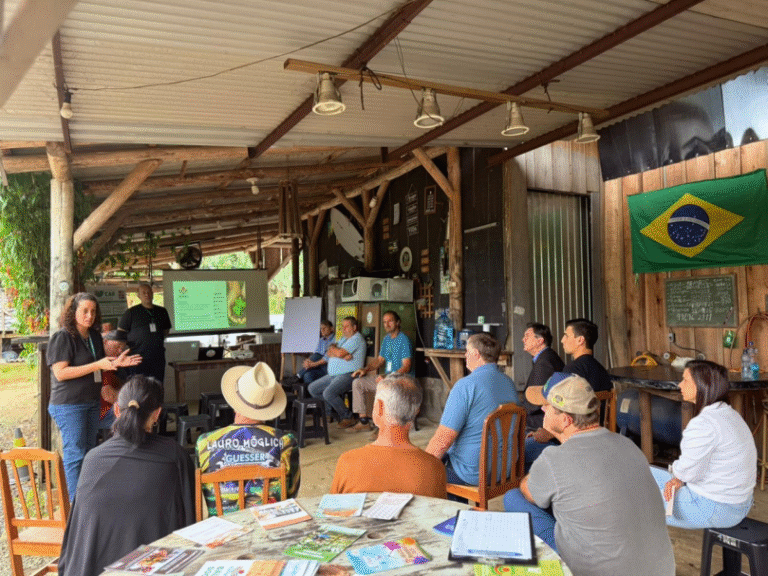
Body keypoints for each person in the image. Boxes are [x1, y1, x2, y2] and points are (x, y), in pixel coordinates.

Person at [503, 374, 675, 576]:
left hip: (595, 571)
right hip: (660, 568)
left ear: (566, 420)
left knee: (513, 497)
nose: (542, 409)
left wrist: (528, 479)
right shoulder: (628, 445)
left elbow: (528, 492)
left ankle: (551, 567)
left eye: (547, 406)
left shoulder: (554, 459)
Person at [58, 375, 195, 576]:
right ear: (157, 413)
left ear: (116, 410)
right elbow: (189, 523)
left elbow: (77, 535)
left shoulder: (92, 459)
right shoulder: (174, 456)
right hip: (153, 569)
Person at [47, 292, 141, 500]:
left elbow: (100, 367)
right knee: (76, 454)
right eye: (84, 311)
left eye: (93, 311)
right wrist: (97, 365)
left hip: (91, 402)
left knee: (89, 452)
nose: (89, 316)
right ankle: (76, 506)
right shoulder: (63, 337)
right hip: (69, 405)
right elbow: (60, 373)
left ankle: (89, 498)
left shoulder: (94, 337)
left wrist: (116, 364)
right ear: (73, 312)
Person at [650, 360, 756, 529]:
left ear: (702, 386)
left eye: (685, 380)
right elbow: (689, 472)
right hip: (739, 504)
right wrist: (680, 476)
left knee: (633, 498)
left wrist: (679, 475)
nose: (680, 385)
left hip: (715, 508)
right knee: (643, 471)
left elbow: (688, 472)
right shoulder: (730, 414)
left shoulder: (704, 423)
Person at [196, 362, 300, 516]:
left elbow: (202, 493)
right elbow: (291, 492)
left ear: (234, 403)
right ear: (269, 406)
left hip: (224, 527)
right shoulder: (286, 442)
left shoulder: (205, 442)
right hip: (270, 524)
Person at [425, 332, 518, 486]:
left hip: (473, 473)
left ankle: (456, 502)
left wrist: (421, 468)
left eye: (467, 351)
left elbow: (443, 440)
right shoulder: (509, 383)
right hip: (505, 469)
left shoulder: (465, 386)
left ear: (475, 354)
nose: (465, 355)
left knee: (426, 466)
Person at [331, 375, 446, 497]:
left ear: (379, 408)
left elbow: (331, 508)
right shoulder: (434, 467)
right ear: (416, 412)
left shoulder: (348, 462)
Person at [525, 318, 612, 470]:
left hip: (572, 440)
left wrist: (547, 433)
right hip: (598, 436)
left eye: (566, 335)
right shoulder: (602, 370)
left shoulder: (571, 373)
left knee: (520, 451)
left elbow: (563, 417)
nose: (562, 340)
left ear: (580, 340)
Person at [347, 310, 414, 433]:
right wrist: (365, 369)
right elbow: (379, 360)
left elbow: (406, 367)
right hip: (387, 377)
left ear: (398, 322)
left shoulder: (404, 340)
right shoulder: (387, 339)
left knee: (384, 385)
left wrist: (389, 378)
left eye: (390, 321)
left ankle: (385, 426)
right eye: (384, 322)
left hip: (402, 379)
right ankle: (364, 422)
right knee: (357, 383)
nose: (387, 324)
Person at [307, 316, 366, 428]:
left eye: (346, 326)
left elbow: (337, 352)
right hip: (334, 374)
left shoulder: (356, 338)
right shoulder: (344, 338)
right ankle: (331, 412)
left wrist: (338, 353)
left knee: (328, 393)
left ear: (354, 327)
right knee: (312, 388)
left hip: (350, 374)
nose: (344, 329)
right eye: (342, 327)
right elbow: (329, 350)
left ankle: (348, 416)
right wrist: (341, 354)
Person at [118, 282, 172, 385]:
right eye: (143, 293)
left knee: (157, 386)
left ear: (152, 293)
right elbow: (121, 332)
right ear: (138, 296)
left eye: (149, 292)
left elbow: (166, 330)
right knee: (139, 388)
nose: (147, 294)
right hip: (137, 359)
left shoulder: (162, 311)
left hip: (157, 358)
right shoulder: (131, 312)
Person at [521, 322, 564, 433]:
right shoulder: (547, 356)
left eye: (527, 336)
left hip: (544, 418)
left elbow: (534, 402)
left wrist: (517, 412)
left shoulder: (544, 362)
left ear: (540, 341)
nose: (523, 339)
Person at [97, 329, 129, 432]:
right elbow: (108, 395)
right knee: (132, 416)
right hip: (101, 413)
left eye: (122, 349)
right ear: (105, 342)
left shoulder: (115, 363)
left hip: (111, 407)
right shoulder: (97, 361)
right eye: (117, 346)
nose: (120, 351)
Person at [297, 320, 334, 384]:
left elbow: (326, 358)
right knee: (307, 375)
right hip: (319, 366)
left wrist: (311, 364)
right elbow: (316, 354)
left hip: (329, 367)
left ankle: (298, 376)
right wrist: (308, 362)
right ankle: (308, 389)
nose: (322, 330)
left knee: (318, 356)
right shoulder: (321, 340)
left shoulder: (335, 339)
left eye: (324, 328)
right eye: (321, 328)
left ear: (331, 328)